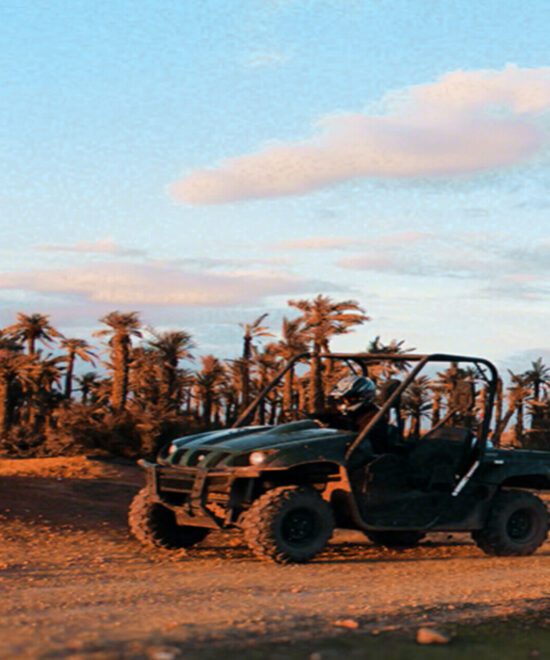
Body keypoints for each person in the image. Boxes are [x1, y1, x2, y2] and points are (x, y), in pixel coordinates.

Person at [315, 375, 389, 454]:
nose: (345, 403)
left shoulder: (374, 417)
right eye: (342, 399)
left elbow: (362, 440)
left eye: (350, 398)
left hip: (365, 456)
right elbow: (328, 417)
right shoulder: (348, 413)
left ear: (363, 397)